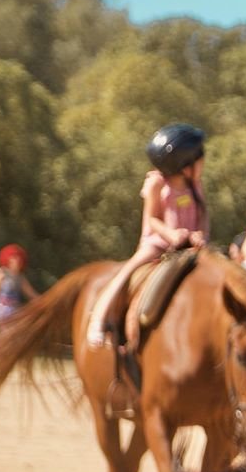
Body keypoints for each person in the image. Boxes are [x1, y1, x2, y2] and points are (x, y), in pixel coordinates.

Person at [86, 124, 209, 348]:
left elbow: (203, 214)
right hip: (158, 244)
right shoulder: (157, 184)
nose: (203, 163)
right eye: (199, 159)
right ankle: (99, 318)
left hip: (190, 246)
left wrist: (201, 233)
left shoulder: (195, 186)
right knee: (128, 272)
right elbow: (152, 218)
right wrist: (170, 234)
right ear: (184, 165)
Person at [0, 244, 37, 329]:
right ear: (8, 260)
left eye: (18, 259)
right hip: (1, 313)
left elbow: (32, 295)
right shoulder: (0, 273)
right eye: (13, 259)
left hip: (15, 314)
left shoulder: (21, 278)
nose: (16, 261)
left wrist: (47, 301)